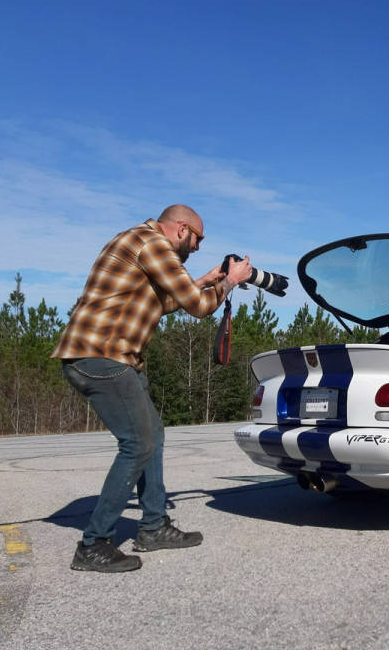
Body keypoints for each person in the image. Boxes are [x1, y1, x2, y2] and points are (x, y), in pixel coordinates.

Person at [52, 204, 253, 572]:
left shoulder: (138, 241)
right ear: (182, 229)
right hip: (102, 356)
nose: (197, 247)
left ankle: (153, 526)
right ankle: (93, 544)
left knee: (153, 435)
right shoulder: (153, 243)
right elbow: (198, 308)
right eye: (198, 239)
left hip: (110, 357)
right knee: (138, 443)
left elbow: (163, 303)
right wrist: (231, 282)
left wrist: (206, 280)